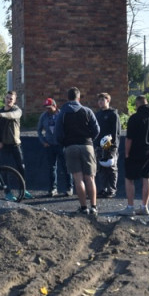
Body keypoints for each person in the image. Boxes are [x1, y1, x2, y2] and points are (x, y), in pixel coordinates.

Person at [54, 87, 100, 215]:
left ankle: (84, 207)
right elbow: (97, 130)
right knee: (90, 178)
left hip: (71, 147)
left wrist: (64, 143)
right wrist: (90, 139)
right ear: (79, 98)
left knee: (78, 179)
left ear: (68, 98)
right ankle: (94, 207)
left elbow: (58, 133)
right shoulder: (87, 111)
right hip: (87, 145)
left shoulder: (62, 113)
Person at [120, 94, 149, 216]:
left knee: (129, 178)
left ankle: (130, 207)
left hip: (136, 150)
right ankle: (144, 207)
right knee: (146, 178)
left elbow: (129, 139)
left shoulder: (134, 118)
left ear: (137, 104)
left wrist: (126, 153)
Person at [0, 90, 32, 200]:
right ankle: (8, 193)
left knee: (21, 167)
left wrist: (0, 115)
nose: (9, 100)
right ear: (5, 98)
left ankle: (23, 190)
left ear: (14, 100)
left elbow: (12, 115)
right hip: (3, 146)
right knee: (4, 169)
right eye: (7, 98)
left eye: (11, 99)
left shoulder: (17, 110)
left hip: (15, 145)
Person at [37, 97, 71, 197]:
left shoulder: (62, 115)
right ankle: (53, 188)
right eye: (46, 107)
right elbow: (39, 130)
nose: (47, 109)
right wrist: (43, 141)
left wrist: (65, 141)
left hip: (61, 145)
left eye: (49, 107)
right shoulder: (43, 116)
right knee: (51, 168)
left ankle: (69, 187)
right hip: (49, 145)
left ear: (55, 106)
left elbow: (68, 129)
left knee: (66, 167)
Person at [94, 92, 120, 198]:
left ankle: (111, 189)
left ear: (107, 100)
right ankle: (103, 188)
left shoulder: (113, 114)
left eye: (102, 100)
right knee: (101, 168)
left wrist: (113, 146)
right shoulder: (97, 115)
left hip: (110, 146)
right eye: (99, 100)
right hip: (99, 146)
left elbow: (116, 132)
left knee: (111, 168)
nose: (100, 102)